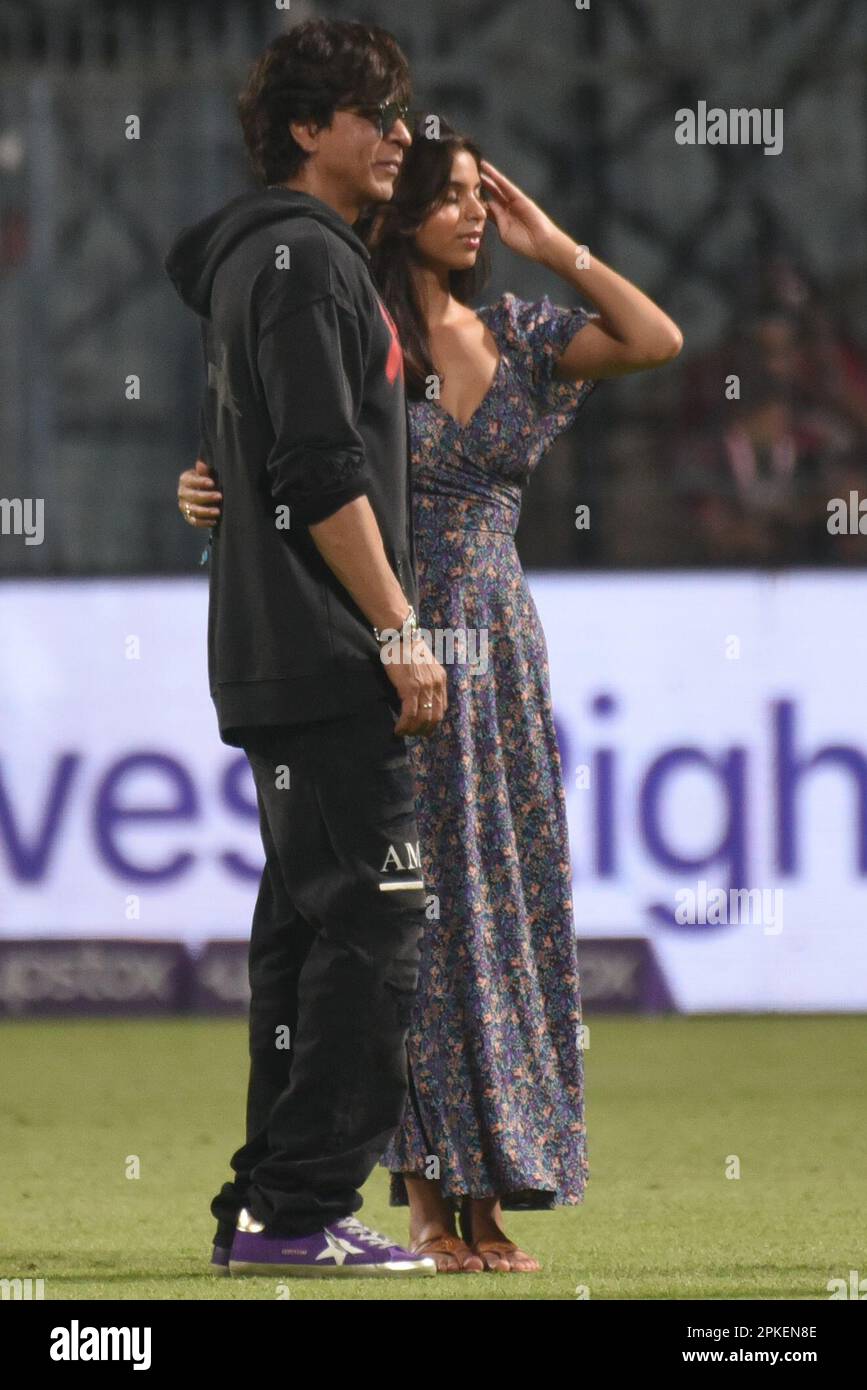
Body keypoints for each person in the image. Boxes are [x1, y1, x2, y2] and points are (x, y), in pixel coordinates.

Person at [179, 125, 682, 1272]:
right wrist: (206, 484)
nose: (471, 213)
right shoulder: (361, 331)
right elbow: (284, 453)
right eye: (446, 195)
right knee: (410, 921)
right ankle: (417, 1198)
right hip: (385, 645)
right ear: (396, 208)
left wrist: (556, 244)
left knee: (500, 911)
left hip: (496, 653)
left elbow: (655, 338)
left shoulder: (518, 334)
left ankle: (494, 1191)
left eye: (478, 196)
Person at [165, 20, 448, 1278]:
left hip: (272, 649)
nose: (400, 136)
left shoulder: (264, 261)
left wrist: (211, 480)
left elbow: (257, 449)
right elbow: (322, 464)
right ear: (303, 130)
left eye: (399, 113)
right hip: (328, 651)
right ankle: (296, 1208)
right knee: (379, 926)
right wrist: (400, 628)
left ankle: (266, 1208)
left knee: (306, 931)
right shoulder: (305, 261)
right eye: (372, 112)